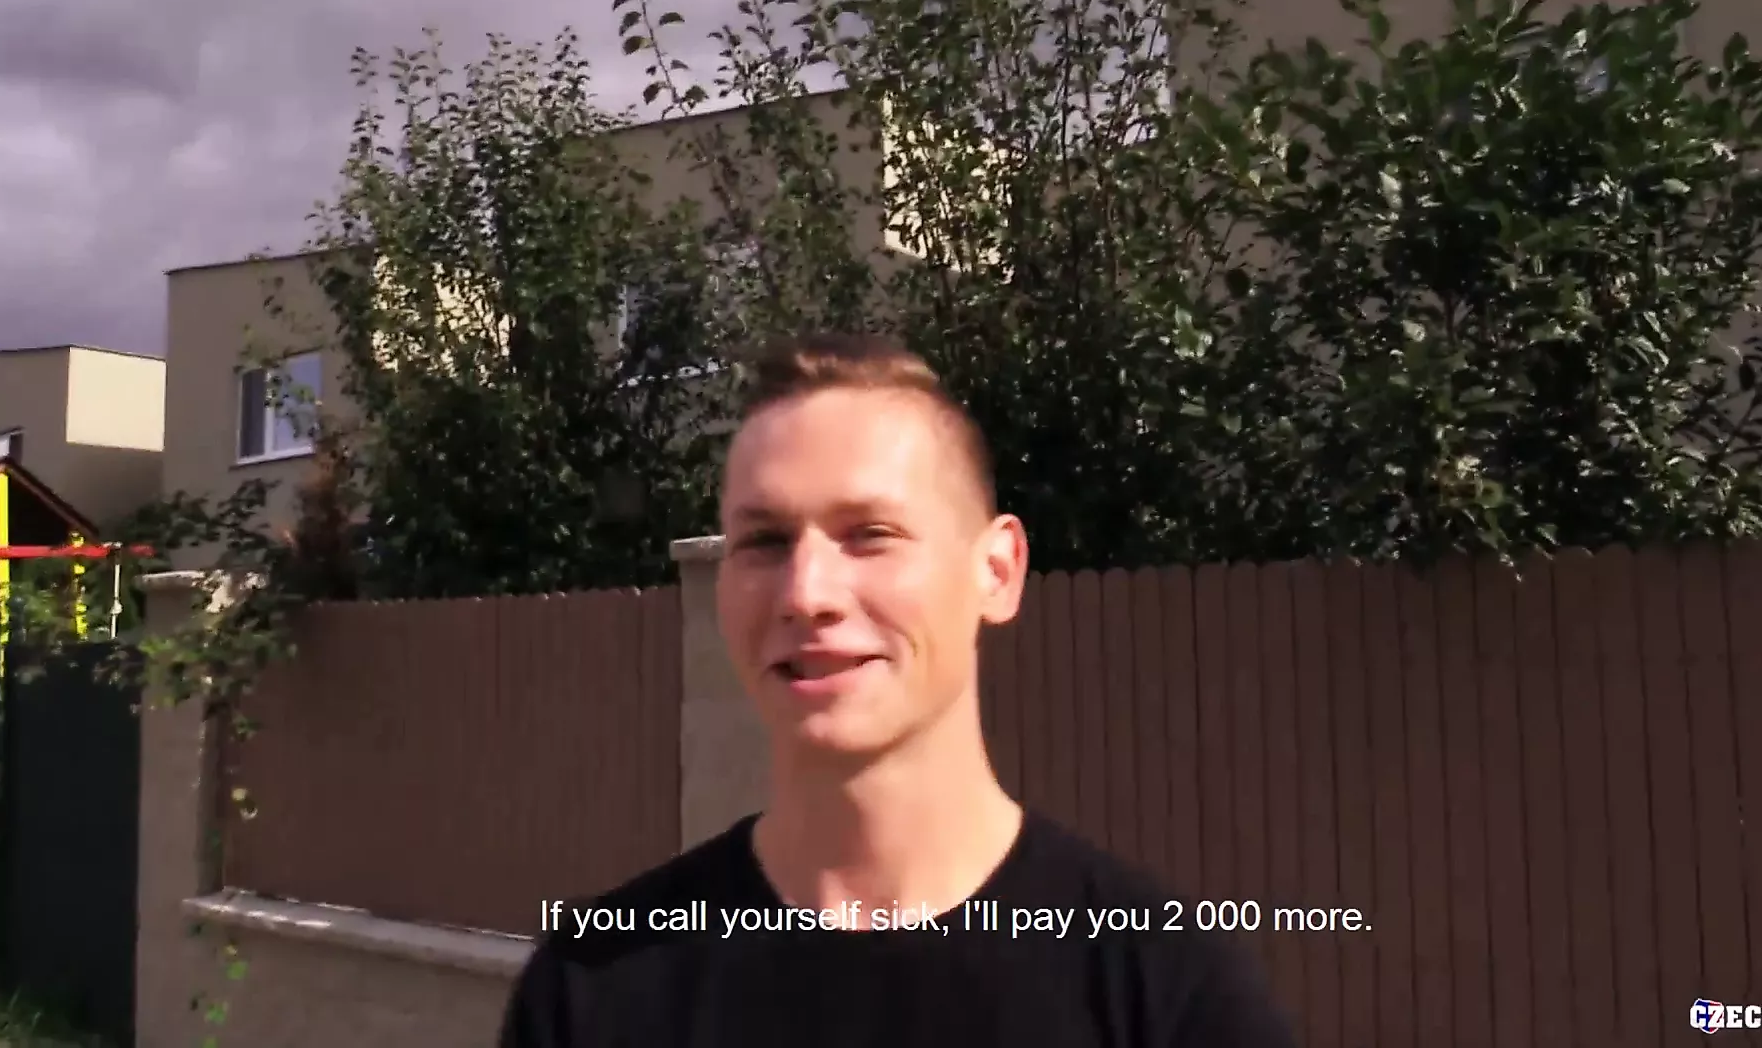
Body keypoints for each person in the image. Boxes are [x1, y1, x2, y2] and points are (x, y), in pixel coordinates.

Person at [498, 333, 1298, 1048]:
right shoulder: (593, 988)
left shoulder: (1169, 994)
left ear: (997, 571)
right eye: (765, 541)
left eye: (870, 535)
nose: (807, 592)